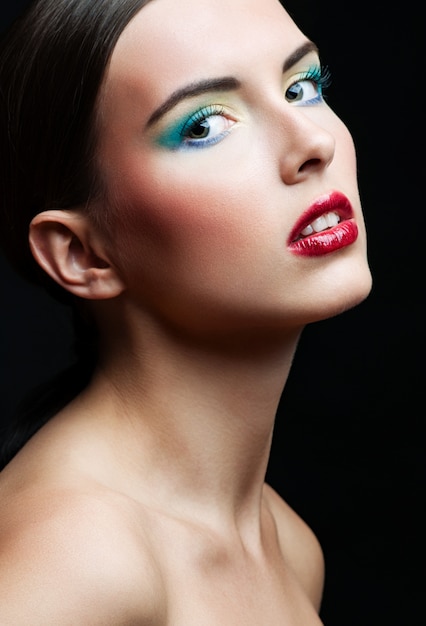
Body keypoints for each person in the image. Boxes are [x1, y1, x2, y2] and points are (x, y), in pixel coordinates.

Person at [0, 0, 372, 622]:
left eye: (302, 86)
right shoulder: (74, 557)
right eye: (204, 125)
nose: (313, 143)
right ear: (82, 253)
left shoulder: (289, 548)